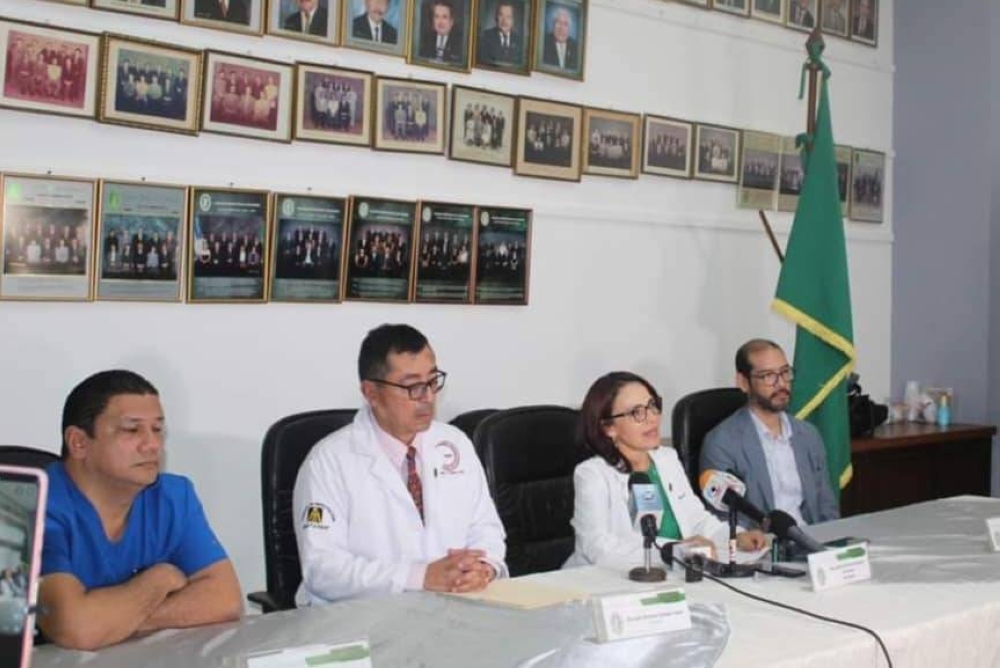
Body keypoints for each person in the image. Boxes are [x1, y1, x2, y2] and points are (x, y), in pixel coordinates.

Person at [293, 324, 506, 605]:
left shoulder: (455, 444)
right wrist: (420, 577)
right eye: (413, 387)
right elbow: (323, 570)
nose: (428, 397)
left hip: (453, 610)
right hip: (358, 622)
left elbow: (486, 527)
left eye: (432, 382)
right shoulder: (328, 462)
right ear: (371, 393)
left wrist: (484, 568)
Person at [38, 371, 242, 650]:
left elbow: (225, 599)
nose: (153, 445)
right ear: (79, 443)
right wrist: (158, 580)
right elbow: (75, 629)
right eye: (132, 430)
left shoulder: (174, 496)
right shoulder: (34, 506)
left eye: (157, 429)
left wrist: (112, 622)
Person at [564, 372, 767, 573]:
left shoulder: (667, 459)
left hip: (672, 574)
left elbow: (697, 520)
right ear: (609, 427)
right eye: (637, 412)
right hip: (606, 583)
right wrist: (672, 550)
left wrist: (735, 536)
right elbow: (596, 548)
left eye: (653, 406)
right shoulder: (593, 474)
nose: (652, 418)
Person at [701, 339, 840, 526]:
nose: (781, 383)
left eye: (785, 372)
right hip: (763, 549)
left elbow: (827, 507)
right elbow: (725, 519)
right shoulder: (722, 443)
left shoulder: (808, 435)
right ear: (743, 382)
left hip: (812, 540)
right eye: (768, 376)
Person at [477, 1, 522, 66]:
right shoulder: (485, 36)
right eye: (501, 15)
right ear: (496, 17)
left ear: (513, 20)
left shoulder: (519, 41)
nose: (504, 21)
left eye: (508, 17)